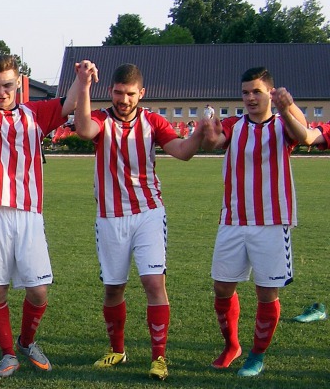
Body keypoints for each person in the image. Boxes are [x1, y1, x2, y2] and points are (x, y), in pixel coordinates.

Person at [0, 14, 86, 377]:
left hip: (28, 214)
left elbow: (68, 105)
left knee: (38, 292)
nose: (1, 92)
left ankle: (26, 340)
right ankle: (8, 352)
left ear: (19, 84)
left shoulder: (36, 114)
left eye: (7, 85)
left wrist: (83, 80)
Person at [71, 63, 206, 380]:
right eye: (118, 93)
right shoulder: (103, 120)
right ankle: (117, 351)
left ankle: (159, 358)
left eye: (130, 94)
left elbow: (182, 152)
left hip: (148, 212)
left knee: (153, 283)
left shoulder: (153, 122)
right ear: (111, 91)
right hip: (110, 217)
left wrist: (199, 134)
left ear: (141, 94)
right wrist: (85, 85)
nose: (124, 99)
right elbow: (83, 129)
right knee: (113, 289)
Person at [199, 67, 328, 377]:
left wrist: (287, 110)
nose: (250, 97)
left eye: (256, 91)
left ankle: (257, 355)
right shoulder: (234, 124)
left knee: (266, 293)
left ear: (269, 93)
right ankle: (232, 345)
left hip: (272, 221)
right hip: (232, 220)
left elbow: (306, 137)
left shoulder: (283, 126)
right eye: (245, 92)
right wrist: (209, 131)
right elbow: (215, 141)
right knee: (222, 287)